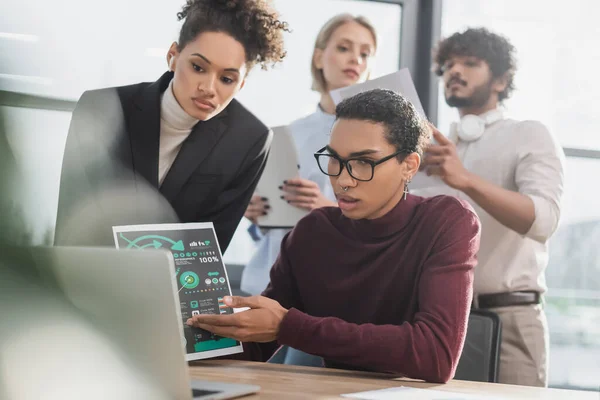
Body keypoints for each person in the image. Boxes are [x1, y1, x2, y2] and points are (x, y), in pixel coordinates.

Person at [187, 89, 482, 383]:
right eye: (334, 159)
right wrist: (195, 339)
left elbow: (436, 355)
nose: (342, 180)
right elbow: (259, 339)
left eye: (363, 162)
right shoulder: (312, 233)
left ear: (409, 166)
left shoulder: (446, 221)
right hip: (333, 393)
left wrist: (290, 326)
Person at [54, 0, 288, 251]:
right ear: (173, 57)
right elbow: (71, 223)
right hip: (86, 273)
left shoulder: (250, 140)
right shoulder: (100, 107)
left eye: (226, 79)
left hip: (176, 283)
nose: (209, 88)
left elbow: (208, 251)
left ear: (240, 85)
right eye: (198, 67)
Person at [415, 28, 565, 387]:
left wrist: (463, 178)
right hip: (437, 319)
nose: (454, 71)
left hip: (510, 319)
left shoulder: (529, 133)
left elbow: (544, 219)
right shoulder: (430, 150)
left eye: (470, 62)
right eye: (449, 64)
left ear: (501, 79)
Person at [241, 13, 378, 295]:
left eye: (365, 54)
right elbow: (269, 230)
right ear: (319, 58)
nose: (356, 59)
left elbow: (386, 225)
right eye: (344, 48)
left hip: (337, 288)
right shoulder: (289, 134)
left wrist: (326, 210)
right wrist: (258, 214)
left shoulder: (379, 139)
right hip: (270, 284)